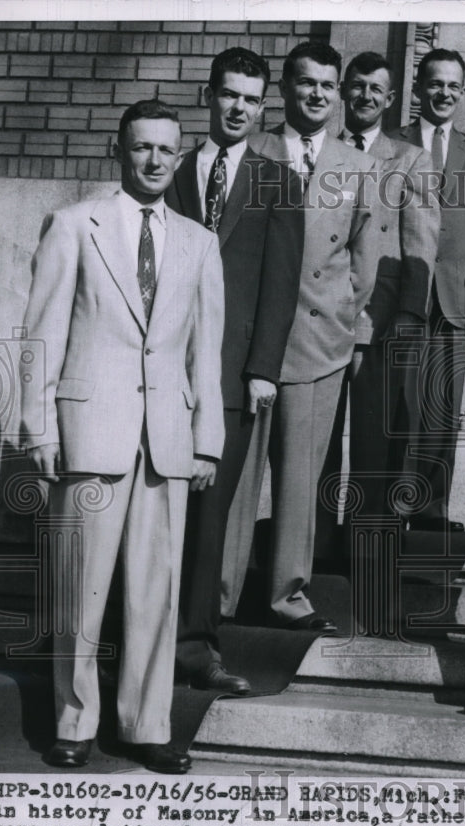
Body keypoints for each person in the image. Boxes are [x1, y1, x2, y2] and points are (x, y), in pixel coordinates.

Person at [20, 100, 225, 772]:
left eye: (167, 149)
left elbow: (206, 353)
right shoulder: (76, 224)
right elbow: (42, 333)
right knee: (81, 588)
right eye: (142, 148)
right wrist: (38, 426)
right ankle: (74, 721)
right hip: (90, 431)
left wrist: (206, 440)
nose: (155, 160)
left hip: (165, 439)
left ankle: (146, 722)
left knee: (153, 593)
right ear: (119, 149)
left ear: (179, 154)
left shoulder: (199, 241)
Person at [222, 41, 378, 633]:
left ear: (338, 95)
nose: (317, 94)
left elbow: (365, 264)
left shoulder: (359, 166)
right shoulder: (251, 151)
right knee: (237, 474)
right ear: (284, 90)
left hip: (319, 343)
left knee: (298, 478)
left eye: (327, 86)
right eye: (306, 83)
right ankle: (219, 591)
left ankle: (288, 593)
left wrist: (344, 323)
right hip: (250, 340)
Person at [166, 47, 304, 692]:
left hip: (230, 379)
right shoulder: (171, 171)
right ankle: (134, 638)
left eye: (251, 99)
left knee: (211, 516)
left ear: (262, 106)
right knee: (152, 515)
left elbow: (281, 286)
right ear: (209, 95)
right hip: (163, 372)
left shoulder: (280, 181)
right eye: (228, 94)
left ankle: (194, 648)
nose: (238, 108)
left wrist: (263, 370)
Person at [317, 50, 440, 543]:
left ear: (390, 100)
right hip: (320, 319)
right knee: (317, 444)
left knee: (374, 448)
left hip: (381, 321)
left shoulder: (410, 159)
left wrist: (410, 312)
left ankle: (368, 558)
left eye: (376, 89)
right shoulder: (320, 152)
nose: (365, 96)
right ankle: (316, 548)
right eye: (358, 85)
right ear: (344, 90)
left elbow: (422, 244)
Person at [393, 48, 465, 532]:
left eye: (453, 86)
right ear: (418, 88)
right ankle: (389, 504)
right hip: (399, 295)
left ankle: (432, 509)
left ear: (463, 93)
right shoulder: (390, 144)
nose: (444, 93)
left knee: (442, 408)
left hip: (454, 299)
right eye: (435, 83)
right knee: (399, 403)